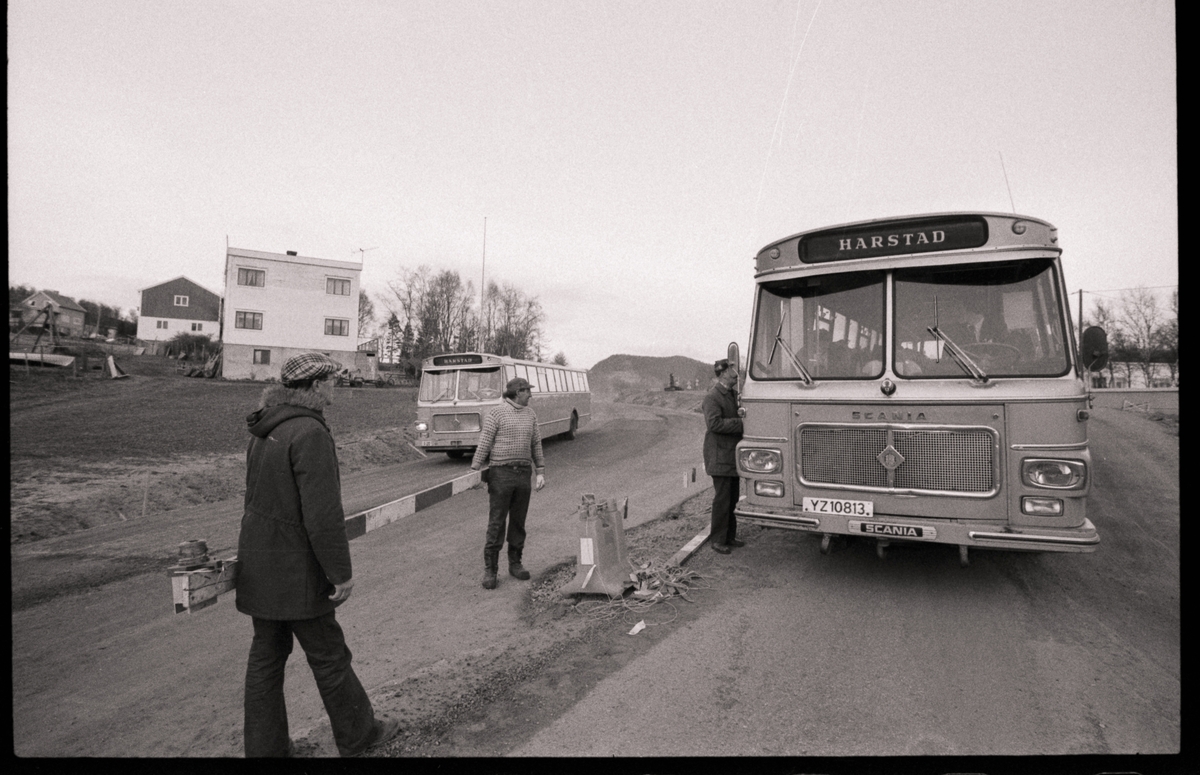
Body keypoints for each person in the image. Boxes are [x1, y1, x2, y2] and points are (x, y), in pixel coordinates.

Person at [236, 352, 400, 758]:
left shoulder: (265, 429)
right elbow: (322, 516)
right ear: (314, 386)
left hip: (260, 564)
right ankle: (360, 735)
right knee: (329, 656)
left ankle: (265, 750)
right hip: (298, 570)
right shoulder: (310, 433)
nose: (336, 386)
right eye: (332, 380)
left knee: (266, 660)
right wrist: (340, 573)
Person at [470, 377, 546, 589]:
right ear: (517, 392)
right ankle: (491, 571)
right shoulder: (497, 413)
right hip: (500, 474)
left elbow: (536, 443)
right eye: (527, 391)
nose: (530, 395)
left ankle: (515, 563)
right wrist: (475, 470)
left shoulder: (530, 415)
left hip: (523, 474)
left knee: (518, 521)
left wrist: (540, 470)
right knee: (497, 522)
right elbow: (485, 442)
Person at [703, 358, 744, 554]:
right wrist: (741, 423)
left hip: (730, 456)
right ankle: (718, 540)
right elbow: (714, 425)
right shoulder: (712, 397)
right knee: (722, 500)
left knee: (732, 498)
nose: (735, 373)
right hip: (720, 457)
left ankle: (729, 536)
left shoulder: (733, 395)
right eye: (731, 369)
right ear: (723, 373)